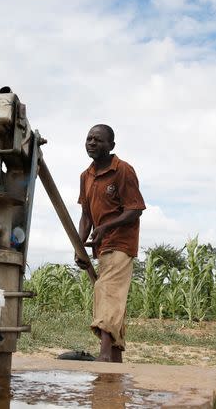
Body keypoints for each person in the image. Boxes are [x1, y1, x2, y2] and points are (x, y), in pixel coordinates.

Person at [76, 124, 145, 362]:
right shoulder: (86, 176)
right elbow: (86, 215)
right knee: (112, 297)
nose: (92, 143)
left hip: (121, 243)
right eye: (89, 139)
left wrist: (105, 227)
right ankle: (115, 359)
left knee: (106, 291)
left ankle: (105, 355)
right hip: (101, 246)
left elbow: (135, 209)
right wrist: (79, 244)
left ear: (111, 146)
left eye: (98, 140)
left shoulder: (123, 170)